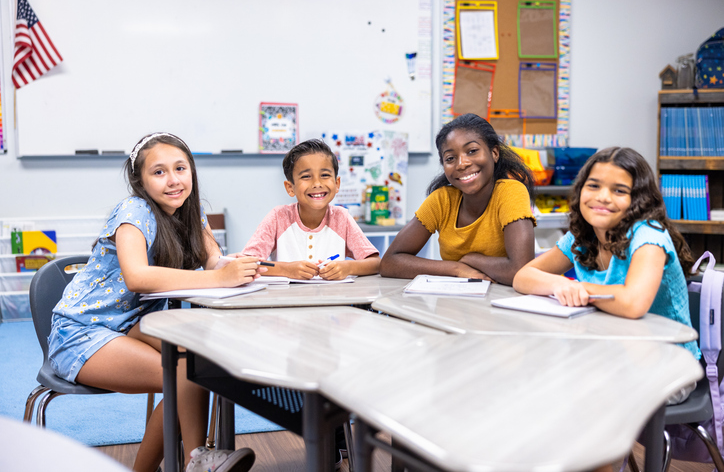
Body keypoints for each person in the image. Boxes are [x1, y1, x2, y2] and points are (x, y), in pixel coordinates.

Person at [48, 132, 259, 472]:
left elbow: (216, 263)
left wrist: (269, 267)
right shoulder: (133, 211)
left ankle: (197, 461)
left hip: (134, 326)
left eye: (180, 168)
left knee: (195, 363)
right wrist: (220, 277)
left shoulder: (192, 213)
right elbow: (137, 277)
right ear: (140, 181)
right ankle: (199, 461)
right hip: (83, 332)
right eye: (159, 172)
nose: (173, 180)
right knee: (187, 375)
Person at [513, 147, 700, 383]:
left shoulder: (650, 236)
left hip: (668, 365)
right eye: (593, 186)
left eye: (619, 190)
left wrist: (580, 289)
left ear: (639, 200)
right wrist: (560, 283)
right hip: (612, 351)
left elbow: (633, 304)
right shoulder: (581, 236)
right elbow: (523, 277)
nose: (603, 197)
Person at [379, 113, 536, 285]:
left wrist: (472, 259)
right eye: (450, 158)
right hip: (454, 304)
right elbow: (389, 262)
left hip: (500, 305)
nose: (461, 164)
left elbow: (521, 270)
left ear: (494, 153)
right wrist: (456, 269)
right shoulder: (442, 199)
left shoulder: (510, 192)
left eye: (472, 151)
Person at [241, 138, 380, 280]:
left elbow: (375, 263)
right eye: (306, 176)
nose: (317, 183)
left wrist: (347, 267)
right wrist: (286, 269)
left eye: (325, 175)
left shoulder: (341, 218)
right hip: (285, 301)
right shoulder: (278, 217)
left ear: (337, 183)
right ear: (290, 188)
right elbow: (246, 264)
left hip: (332, 301)